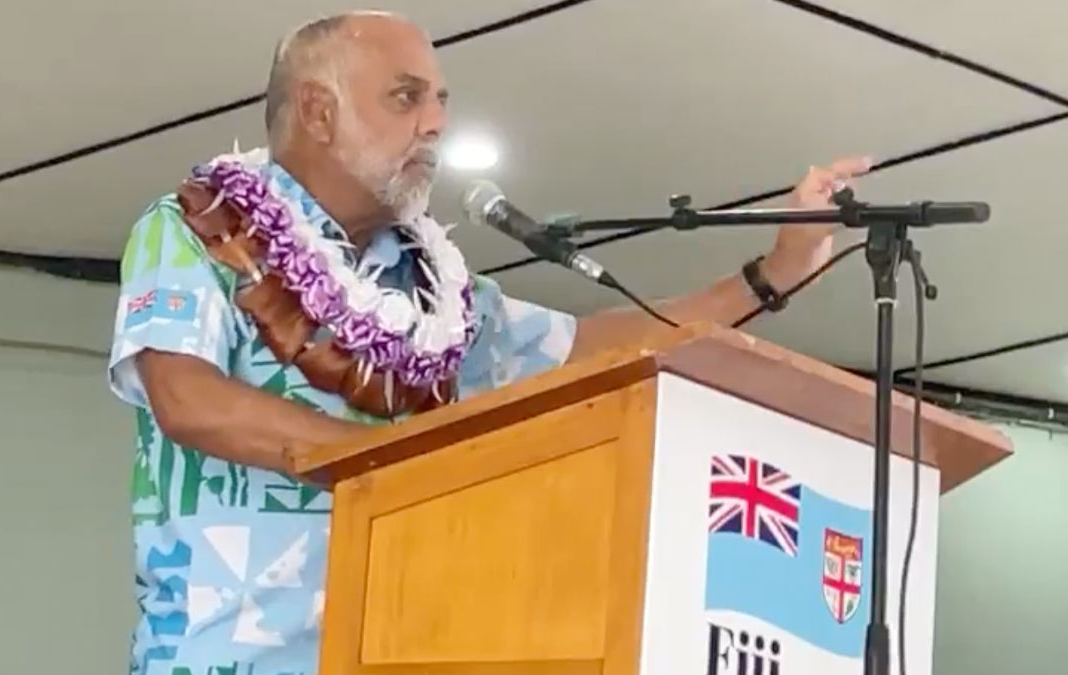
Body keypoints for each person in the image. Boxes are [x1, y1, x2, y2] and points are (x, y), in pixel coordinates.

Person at [106, 9, 871, 675]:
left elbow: (592, 347)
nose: (435, 122)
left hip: (397, 649)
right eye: (406, 97)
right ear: (317, 110)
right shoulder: (199, 231)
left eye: (440, 101)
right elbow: (187, 397)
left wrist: (771, 274)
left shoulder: (434, 291)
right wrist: (400, 471)